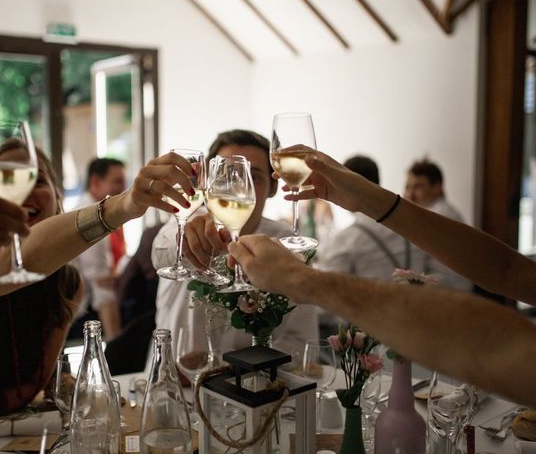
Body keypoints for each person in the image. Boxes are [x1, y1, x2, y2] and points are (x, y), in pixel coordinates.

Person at [0, 145, 195, 441]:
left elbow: (32, 383)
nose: (22, 192)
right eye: (6, 180)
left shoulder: (65, 283)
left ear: (57, 196)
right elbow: (14, 261)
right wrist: (125, 205)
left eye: (35, 180)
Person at [227, 150, 536, 407]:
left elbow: (509, 350)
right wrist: (369, 199)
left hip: (414, 353)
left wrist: (298, 279)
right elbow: (510, 270)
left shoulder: (351, 237)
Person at [151, 130, 318, 355]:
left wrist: (237, 371)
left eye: (253, 176)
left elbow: (302, 342)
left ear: (273, 187)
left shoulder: (286, 246)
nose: (237, 186)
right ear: (208, 184)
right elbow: (160, 254)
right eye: (226, 174)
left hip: (251, 386)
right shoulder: (186, 220)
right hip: (178, 381)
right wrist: (188, 240)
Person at [320, 155, 470, 291]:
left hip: (448, 299)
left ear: (437, 187)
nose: (410, 195)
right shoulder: (412, 221)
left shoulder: (438, 217)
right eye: (407, 187)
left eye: (418, 187)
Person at [73, 158, 127, 340]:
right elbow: (102, 289)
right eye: (117, 181)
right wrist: (116, 345)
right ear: (95, 182)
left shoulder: (106, 214)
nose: (123, 188)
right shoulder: (90, 218)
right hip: (83, 316)